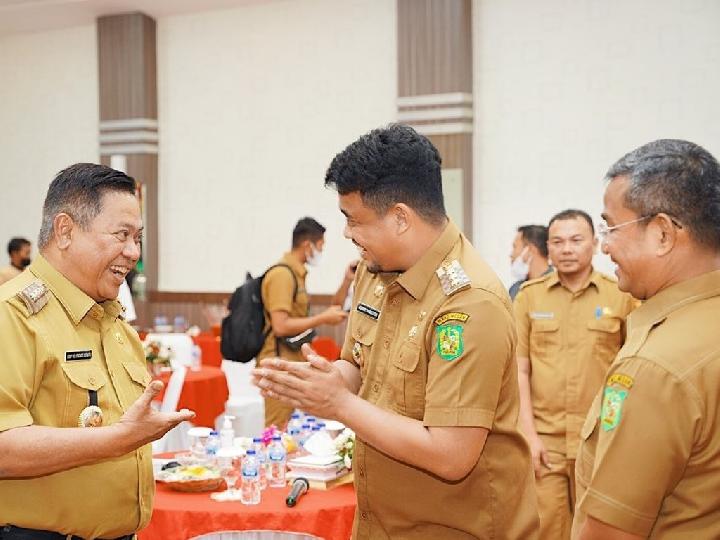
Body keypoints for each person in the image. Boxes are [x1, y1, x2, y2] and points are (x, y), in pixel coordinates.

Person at [253, 124, 539, 539]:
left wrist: (338, 404)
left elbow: (451, 454)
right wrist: (327, 381)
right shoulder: (375, 270)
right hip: (381, 524)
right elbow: (357, 365)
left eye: (353, 220)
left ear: (400, 218)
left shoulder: (469, 302)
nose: (348, 234)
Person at [0, 163, 194, 540]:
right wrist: (115, 440)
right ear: (65, 231)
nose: (132, 252)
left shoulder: (112, 320)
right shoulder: (14, 316)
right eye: (121, 235)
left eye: (137, 238)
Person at [572, 140, 720, 539]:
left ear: (662, 234)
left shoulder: (656, 368)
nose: (604, 246)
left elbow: (611, 531)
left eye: (611, 227)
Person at [513, 209, 637, 540]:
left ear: (595, 244)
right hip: (546, 441)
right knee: (546, 529)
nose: (567, 249)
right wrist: (528, 433)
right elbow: (518, 369)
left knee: (598, 528)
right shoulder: (529, 297)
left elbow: (636, 371)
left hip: (601, 438)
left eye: (576, 240)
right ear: (548, 248)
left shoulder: (622, 296)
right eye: (558, 242)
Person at [259, 217, 348, 427]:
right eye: (320, 246)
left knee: (288, 425)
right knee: (276, 427)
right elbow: (280, 326)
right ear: (307, 245)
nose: (321, 252)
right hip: (278, 360)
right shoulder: (283, 274)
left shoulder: (296, 273)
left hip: (291, 357)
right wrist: (322, 318)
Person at [509, 224, 551, 299]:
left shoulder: (557, 286)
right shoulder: (515, 289)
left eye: (515, 247)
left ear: (529, 250)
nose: (511, 255)